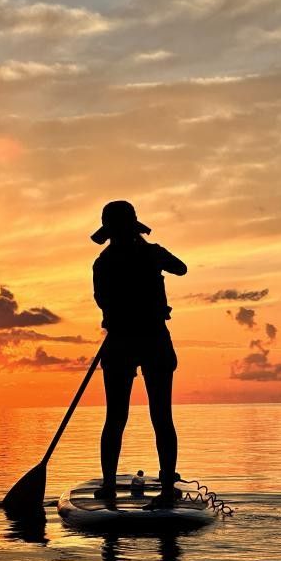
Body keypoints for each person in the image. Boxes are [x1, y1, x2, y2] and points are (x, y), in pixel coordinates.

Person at [89, 201, 187, 510]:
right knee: (155, 416)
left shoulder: (104, 262)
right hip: (147, 338)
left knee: (119, 417)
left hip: (124, 341)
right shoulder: (148, 254)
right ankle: (166, 485)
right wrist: (151, 253)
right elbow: (180, 267)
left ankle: (110, 486)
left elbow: (102, 301)